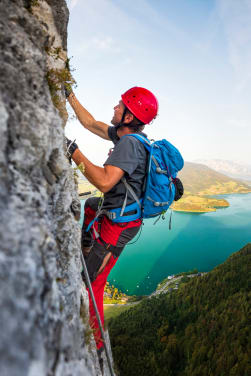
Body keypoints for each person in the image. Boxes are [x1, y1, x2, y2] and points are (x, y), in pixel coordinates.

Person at [65, 86, 158, 357]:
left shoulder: (129, 144)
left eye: (120, 105)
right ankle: (86, 247)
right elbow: (90, 122)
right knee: (91, 205)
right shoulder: (125, 136)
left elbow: (105, 182)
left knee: (92, 281)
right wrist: (69, 95)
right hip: (117, 215)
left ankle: (95, 346)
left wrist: (74, 152)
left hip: (119, 227)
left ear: (129, 117)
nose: (115, 107)